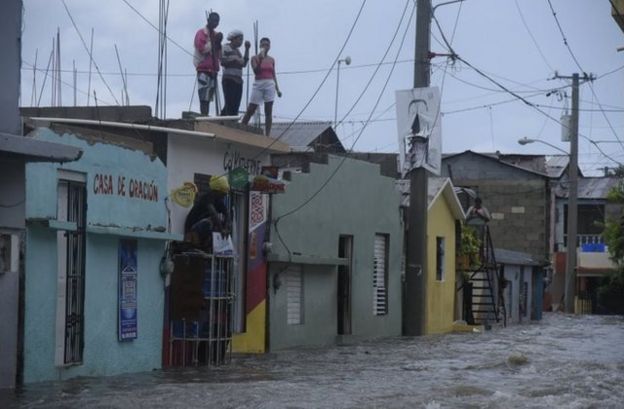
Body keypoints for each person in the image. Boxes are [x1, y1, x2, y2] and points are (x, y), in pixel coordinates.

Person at [241, 37, 282, 136]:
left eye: (267, 45)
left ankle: (267, 134)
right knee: (251, 108)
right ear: (260, 46)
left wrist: (277, 89)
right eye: (263, 44)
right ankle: (241, 127)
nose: (265, 46)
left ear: (269, 46)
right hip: (258, 83)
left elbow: (273, 74)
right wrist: (260, 58)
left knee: (268, 110)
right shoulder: (254, 58)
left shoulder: (272, 59)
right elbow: (256, 71)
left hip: (270, 83)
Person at [184, 175, 230, 250]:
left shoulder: (219, 200)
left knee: (220, 222)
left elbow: (227, 213)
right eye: (223, 193)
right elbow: (213, 213)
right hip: (192, 229)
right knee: (212, 221)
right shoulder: (207, 198)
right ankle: (200, 244)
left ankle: (210, 246)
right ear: (217, 191)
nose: (224, 195)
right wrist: (222, 229)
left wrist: (226, 227)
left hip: (202, 229)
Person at [193, 12, 223, 116]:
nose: (215, 23)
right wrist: (214, 41)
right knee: (203, 96)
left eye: (217, 21)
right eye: (214, 20)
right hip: (203, 69)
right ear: (208, 20)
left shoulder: (215, 35)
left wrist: (218, 43)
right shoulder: (201, 33)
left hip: (213, 70)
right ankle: (204, 115)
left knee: (209, 97)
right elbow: (202, 49)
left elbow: (219, 55)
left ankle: (206, 116)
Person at [220, 30, 250, 116]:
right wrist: (234, 59)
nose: (241, 42)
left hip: (238, 80)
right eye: (239, 39)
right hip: (229, 79)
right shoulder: (225, 47)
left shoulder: (238, 51)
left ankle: (229, 119)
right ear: (233, 39)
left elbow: (244, 63)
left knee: (236, 103)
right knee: (230, 101)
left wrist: (247, 49)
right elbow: (222, 61)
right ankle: (226, 119)